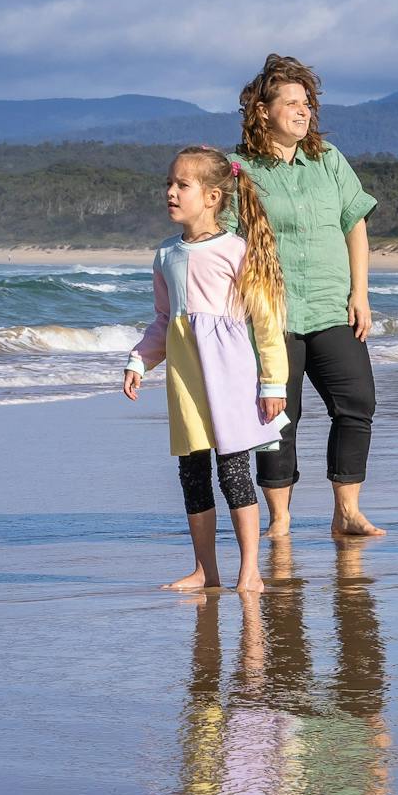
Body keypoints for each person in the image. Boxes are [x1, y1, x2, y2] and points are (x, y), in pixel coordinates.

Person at [125, 146, 289, 594]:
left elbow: (268, 322)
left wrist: (273, 382)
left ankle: (250, 568)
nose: (171, 192)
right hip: (185, 382)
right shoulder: (165, 255)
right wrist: (140, 359)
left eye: (182, 185)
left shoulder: (236, 250)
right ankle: (205, 569)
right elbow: (164, 320)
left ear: (214, 196)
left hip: (232, 380)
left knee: (234, 471)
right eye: (169, 184)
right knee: (192, 473)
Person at [236, 55, 384, 538]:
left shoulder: (329, 159)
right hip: (271, 313)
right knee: (279, 416)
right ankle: (280, 519)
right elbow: (222, 241)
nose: (304, 112)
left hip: (331, 304)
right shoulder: (239, 170)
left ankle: (347, 512)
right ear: (263, 111)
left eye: (308, 104)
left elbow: (354, 225)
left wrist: (360, 292)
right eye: (292, 103)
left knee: (356, 401)